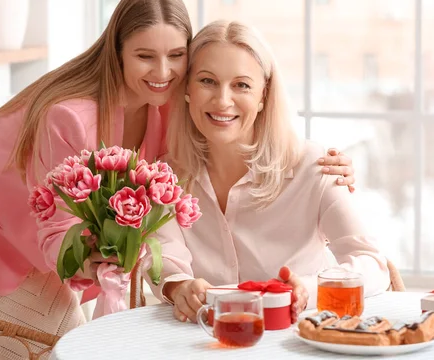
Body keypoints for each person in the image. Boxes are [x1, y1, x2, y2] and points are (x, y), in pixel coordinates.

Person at [0, 0, 354, 359]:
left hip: (39, 245)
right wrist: (102, 260)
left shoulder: (165, 110)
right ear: (116, 51)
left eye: (176, 56)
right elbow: (59, 229)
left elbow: (239, 127)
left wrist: (318, 165)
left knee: (70, 343)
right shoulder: (70, 117)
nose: (163, 72)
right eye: (145, 56)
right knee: (47, 347)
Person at [148, 20, 390, 324]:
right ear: (187, 90)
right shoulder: (165, 177)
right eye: (207, 81)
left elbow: (373, 265)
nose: (223, 100)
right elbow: (164, 258)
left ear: (264, 96)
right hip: (202, 345)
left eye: (242, 85)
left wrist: (309, 287)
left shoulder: (317, 169)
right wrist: (179, 287)